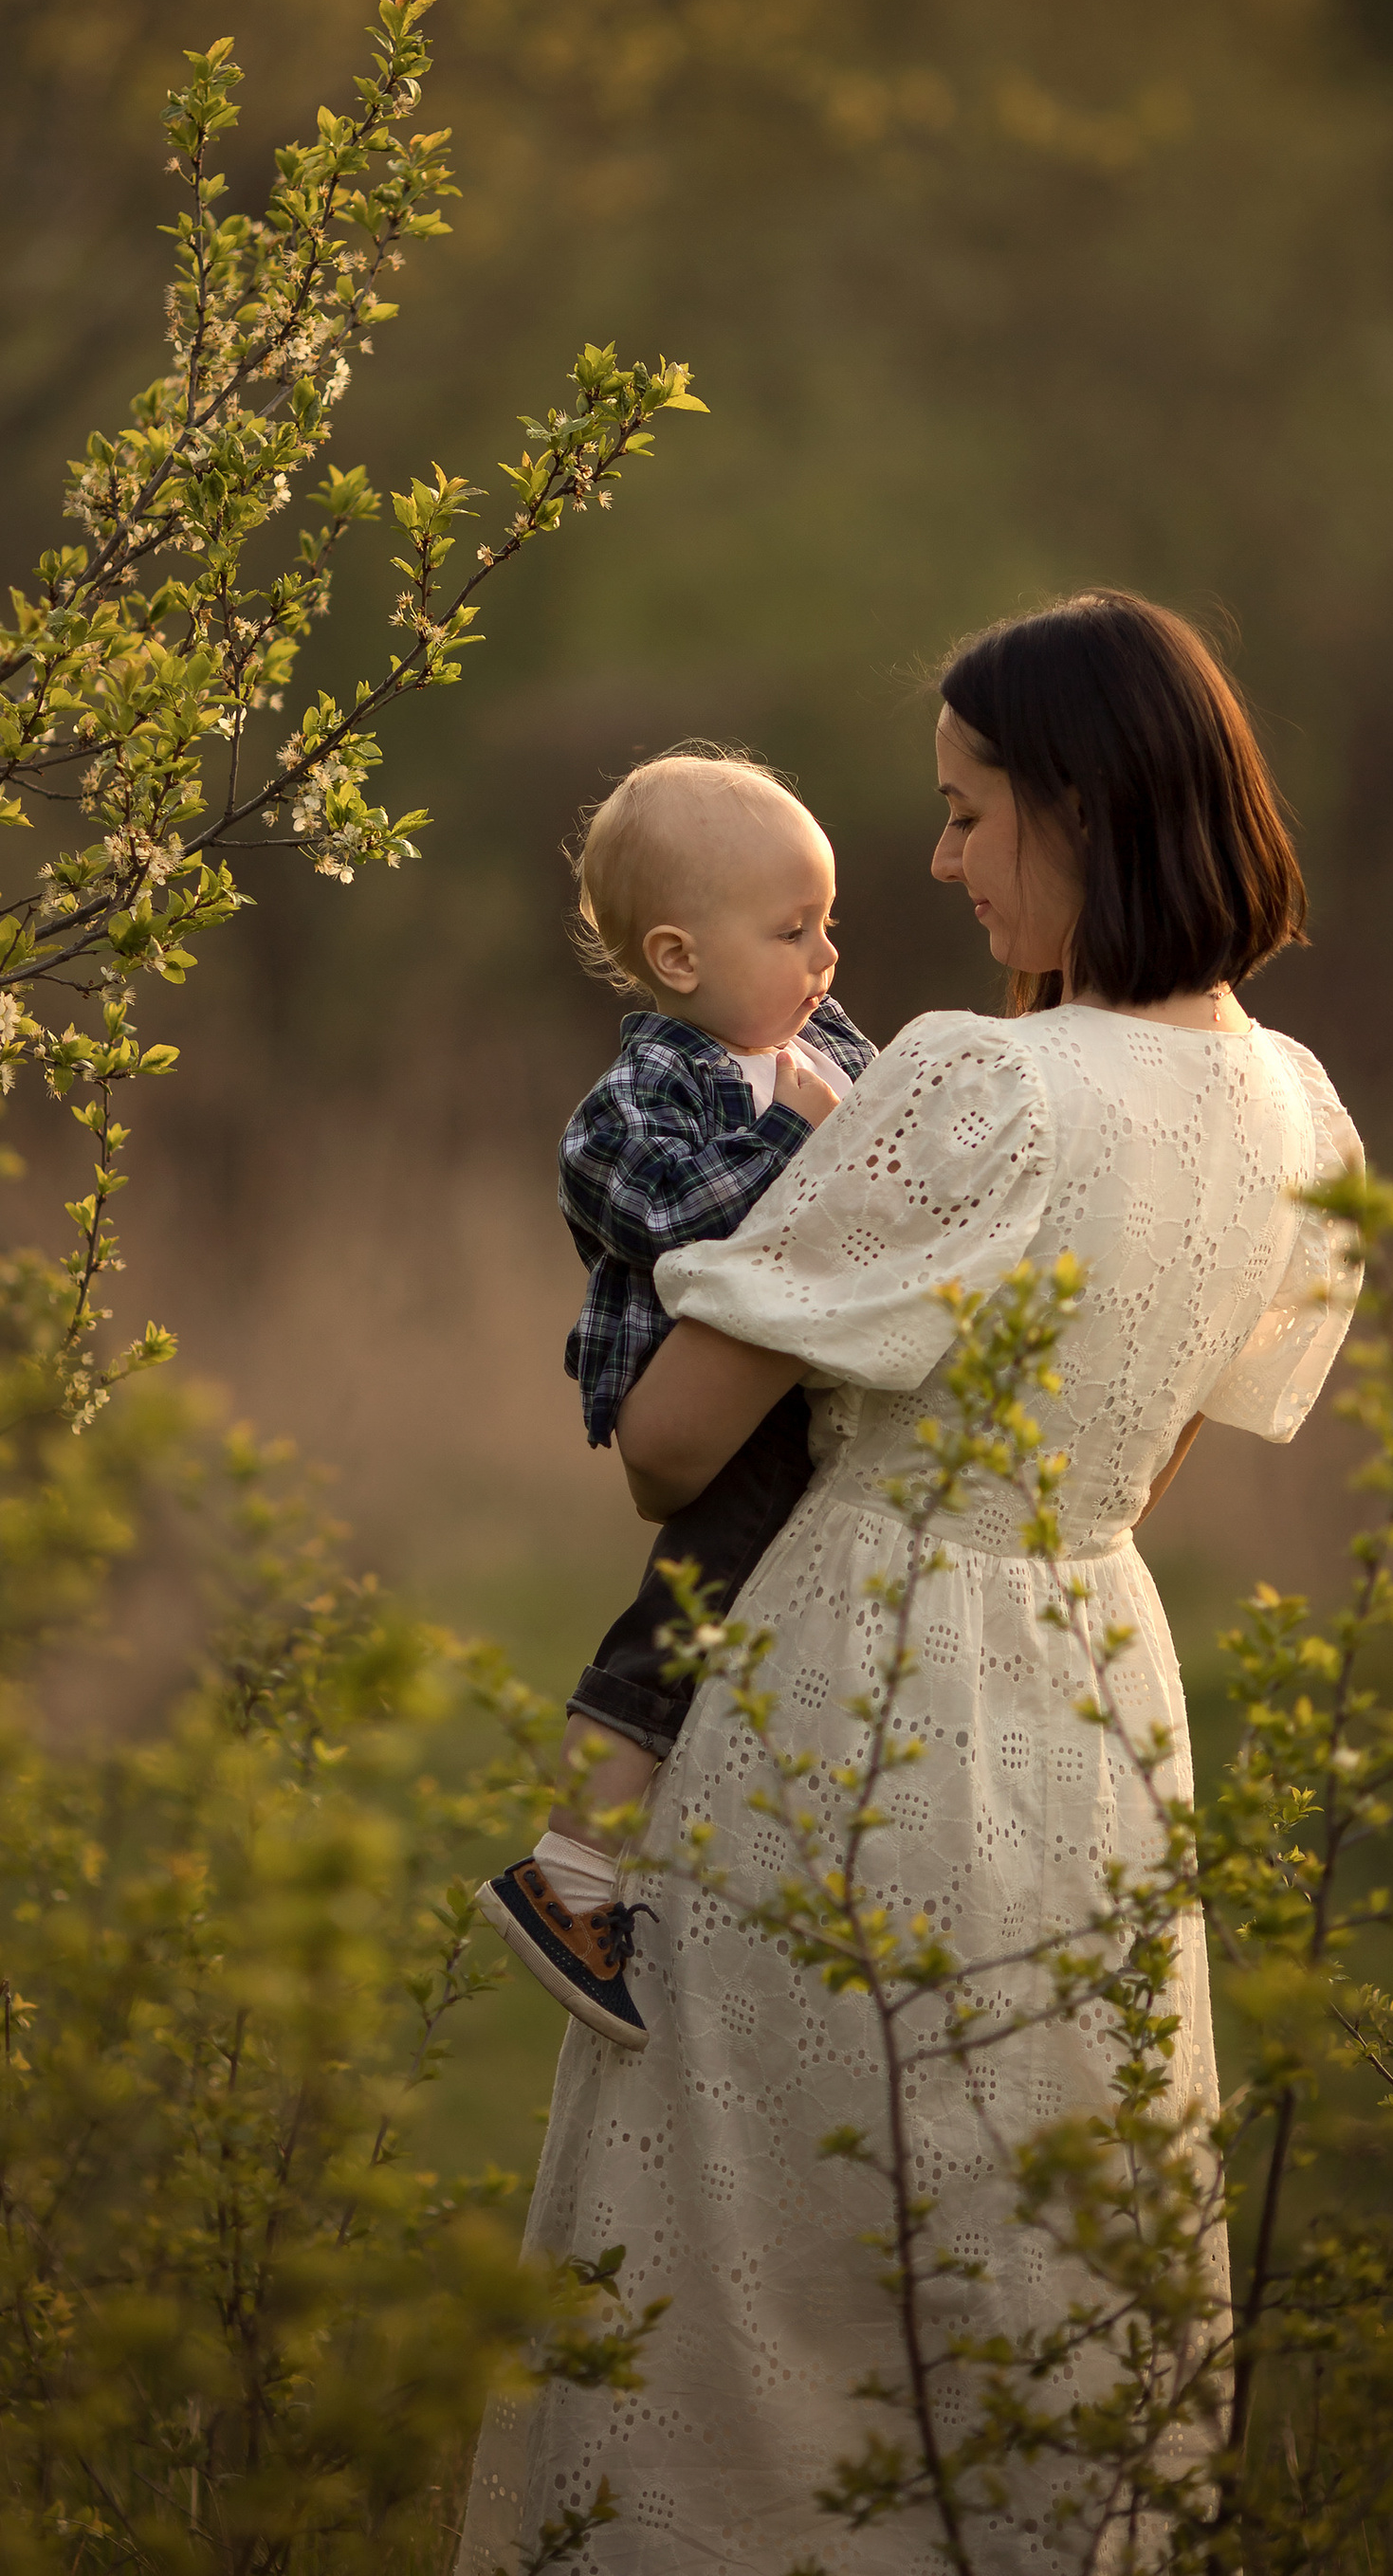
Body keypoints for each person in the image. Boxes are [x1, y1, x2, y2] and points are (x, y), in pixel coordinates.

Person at [456, 594, 1364, 2575]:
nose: (937, 865)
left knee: (751, 2269)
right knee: (1042, 2237)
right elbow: (1151, 1445)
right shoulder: (1291, 1110)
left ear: (1077, 809)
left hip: (858, 1671)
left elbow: (670, 1451)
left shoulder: (983, 1082)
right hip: (1092, 1685)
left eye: (962, 815)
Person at [479, 750, 878, 2048]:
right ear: (680, 955)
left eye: (826, 923)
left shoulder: (823, 1045)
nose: (826, 956)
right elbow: (672, 1225)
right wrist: (803, 1143)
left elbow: (906, 1156)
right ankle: (571, 1868)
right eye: (792, 929)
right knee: (692, 1597)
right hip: (698, 1392)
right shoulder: (642, 1100)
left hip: (808, 1384)